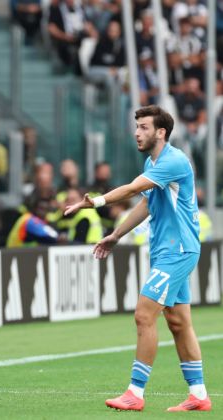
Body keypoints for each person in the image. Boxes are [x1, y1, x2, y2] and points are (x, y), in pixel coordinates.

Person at [65, 105, 211, 412]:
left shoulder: (173, 161)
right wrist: (116, 235)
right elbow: (146, 202)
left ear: (161, 132)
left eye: (144, 127)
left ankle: (135, 392)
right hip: (167, 250)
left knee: (144, 315)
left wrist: (99, 201)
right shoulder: (153, 162)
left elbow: (133, 188)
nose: (136, 132)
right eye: (137, 127)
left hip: (178, 250)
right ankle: (198, 395)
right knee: (178, 322)